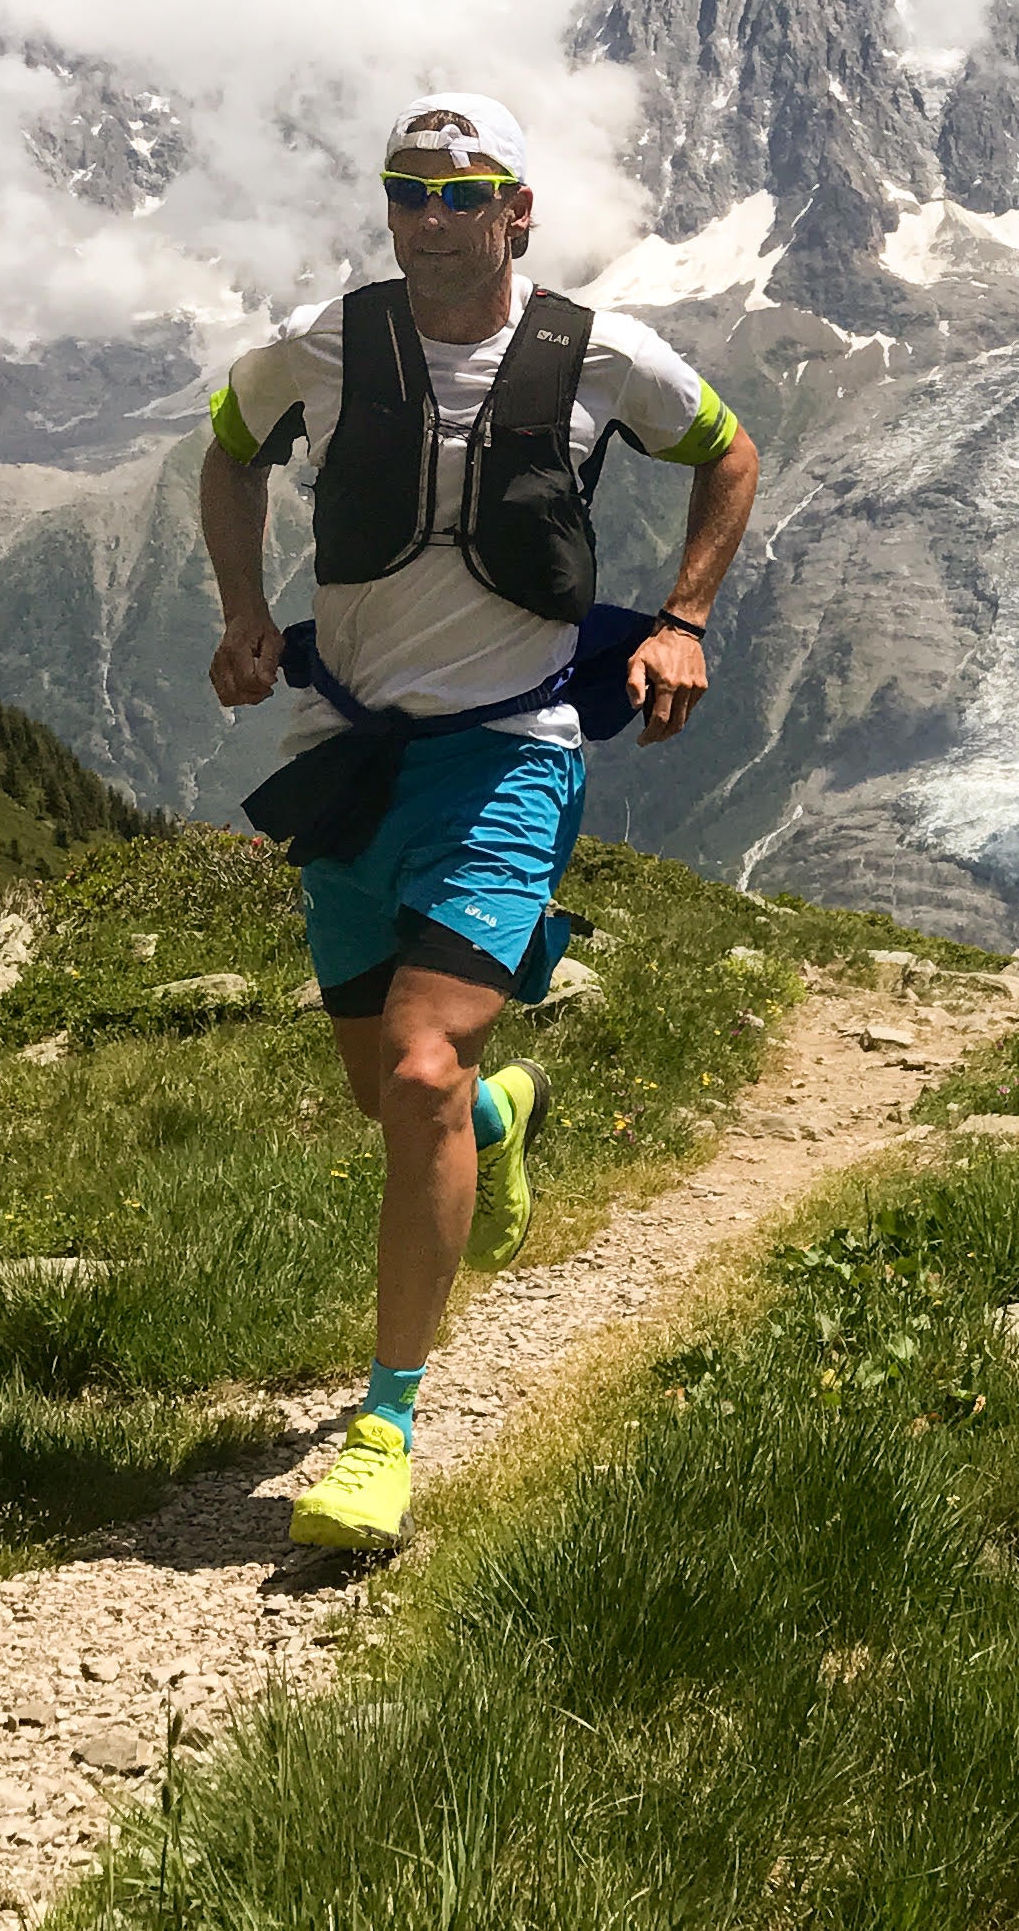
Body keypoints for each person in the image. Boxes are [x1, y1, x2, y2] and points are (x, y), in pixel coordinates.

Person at [199, 92, 758, 1550]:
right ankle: (503, 1119)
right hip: (352, 754)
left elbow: (729, 451)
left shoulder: (598, 355)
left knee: (425, 1062)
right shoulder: (328, 345)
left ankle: (384, 1426)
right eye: (410, 192)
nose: (434, 217)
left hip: (511, 754)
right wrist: (247, 610)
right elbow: (228, 442)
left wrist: (684, 619)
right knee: (384, 1095)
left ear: (520, 211)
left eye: (465, 194)